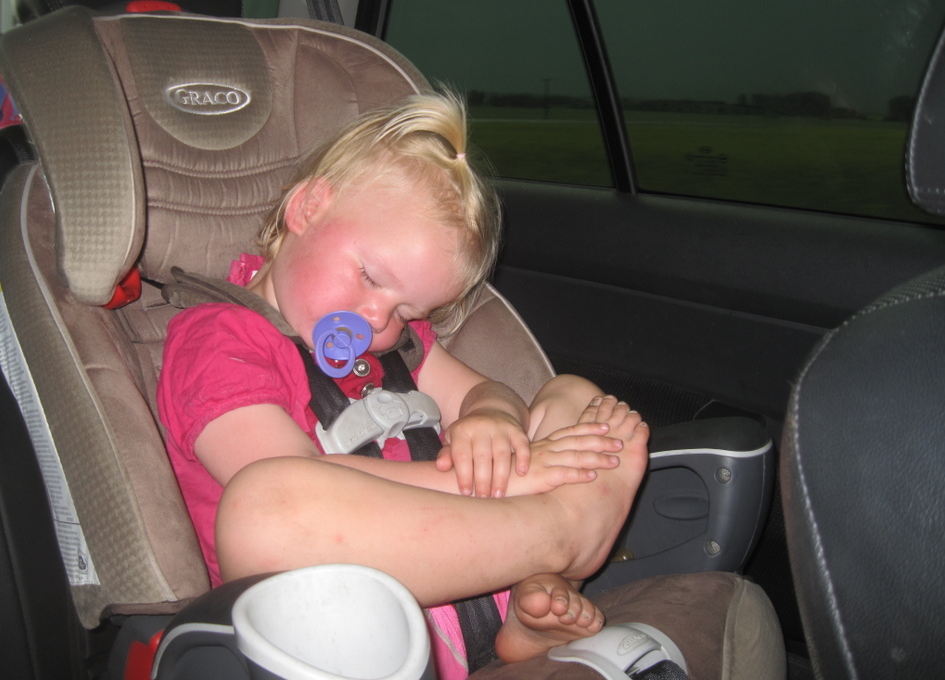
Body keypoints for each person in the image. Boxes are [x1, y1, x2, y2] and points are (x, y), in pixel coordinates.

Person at [156, 92, 650, 679]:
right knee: (264, 506)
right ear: (307, 208)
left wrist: (490, 418)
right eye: (370, 277)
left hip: (478, 568)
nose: (376, 319)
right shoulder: (218, 338)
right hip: (340, 621)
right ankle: (561, 533)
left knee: (572, 396)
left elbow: (487, 392)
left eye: (406, 310)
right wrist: (512, 482)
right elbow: (285, 478)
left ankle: (529, 598)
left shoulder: (397, 347)